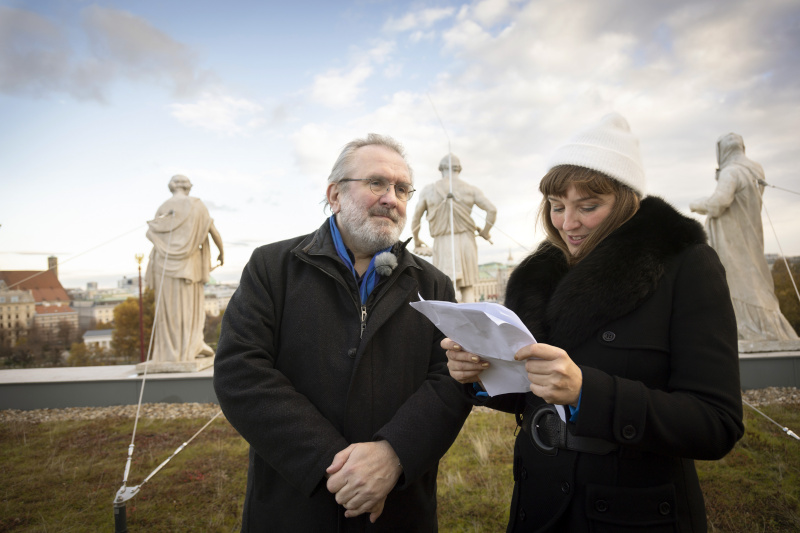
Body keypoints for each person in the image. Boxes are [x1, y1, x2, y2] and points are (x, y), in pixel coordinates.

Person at [443, 113, 744, 532]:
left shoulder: (685, 266)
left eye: (588, 206)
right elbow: (529, 397)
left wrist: (588, 392)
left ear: (627, 201)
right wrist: (479, 372)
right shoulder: (536, 277)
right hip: (539, 505)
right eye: (556, 206)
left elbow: (716, 424)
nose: (568, 224)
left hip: (631, 513)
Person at [214, 134, 472, 532]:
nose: (392, 198)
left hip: (397, 509)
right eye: (376, 183)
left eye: (402, 189)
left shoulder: (434, 284)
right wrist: (334, 465)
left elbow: (450, 381)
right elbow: (240, 371)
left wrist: (393, 454)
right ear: (334, 195)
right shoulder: (272, 268)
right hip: (296, 506)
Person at [689, 133, 799, 341]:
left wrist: (695, 204)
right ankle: (765, 325)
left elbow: (717, 203)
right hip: (750, 234)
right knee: (753, 279)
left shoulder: (731, 172)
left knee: (737, 281)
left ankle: (748, 328)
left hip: (731, 239)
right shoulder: (755, 170)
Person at [146, 174, 223, 362]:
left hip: (164, 265)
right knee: (189, 308)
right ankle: (190, 346)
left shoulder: (163, 207)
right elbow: (212, 231)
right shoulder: (197, 205)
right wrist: (222, 252)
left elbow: (155, 234)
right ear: (188, 187)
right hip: (190, 265)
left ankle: (169, 352)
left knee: (168, 310)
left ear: (171, 187)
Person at [412, 154, 497, 302]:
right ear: (459, 169)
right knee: (467, 287)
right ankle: (469, 323)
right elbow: (492, 210)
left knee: (444, 286)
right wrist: (484, 232)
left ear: (441, 169)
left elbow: (416, 219)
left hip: (442, 241)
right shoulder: (470, 190)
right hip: (466, 241)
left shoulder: (428, 190)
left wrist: (416, 239)